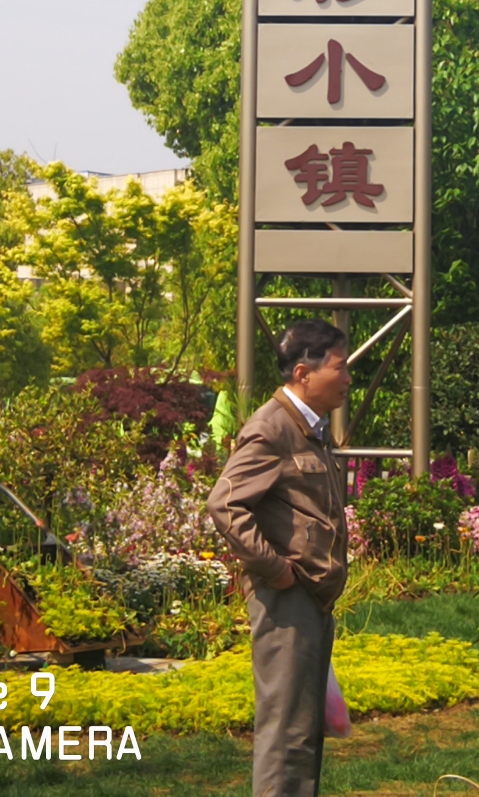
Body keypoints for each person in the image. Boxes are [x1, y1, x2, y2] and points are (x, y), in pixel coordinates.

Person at [207, 319, 351, 797]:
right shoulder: (271, 427)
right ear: (303, 372)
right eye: (339, 366)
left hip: (310, 600)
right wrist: (275, 569)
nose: (347, 378)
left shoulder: (311, 429)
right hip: (286, 600)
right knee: (286, 729)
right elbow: (224, 504)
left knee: (304, 729)